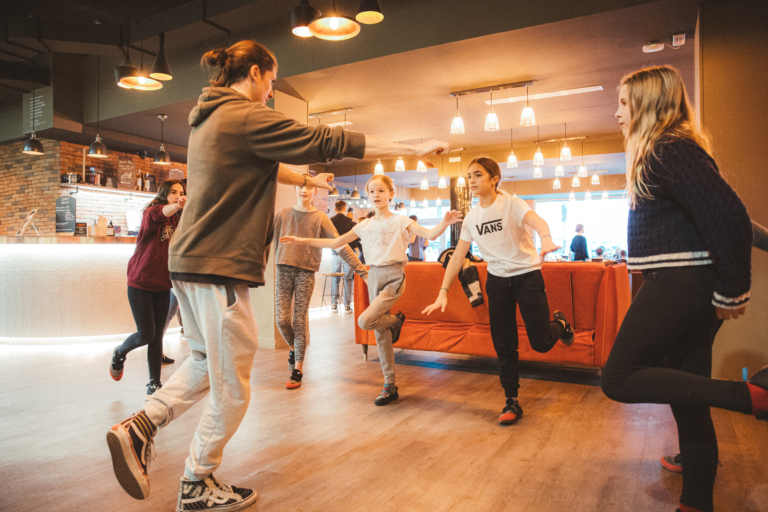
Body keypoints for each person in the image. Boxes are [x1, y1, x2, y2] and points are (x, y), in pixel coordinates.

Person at [106, 39, 450, 511]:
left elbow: (268, 162)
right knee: (235, 386)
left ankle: (143, 426)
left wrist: (306, 181)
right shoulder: (244, 114)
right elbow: (323, 141)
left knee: (208, 363)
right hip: (216, 263)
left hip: (188, 263)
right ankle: (195, 482)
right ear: (251, 74)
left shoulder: (210, 118)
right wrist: (411, 147)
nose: (270, 92)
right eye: (270, 82)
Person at [600, 65, 767, 512]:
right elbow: (724, 213)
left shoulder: (667, 149)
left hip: (680, 281)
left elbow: (728, 216)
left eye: (623, 103)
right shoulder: (669, 152)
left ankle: (752, 396)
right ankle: (696, 502)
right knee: (688, 396)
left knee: (617, 379)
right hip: (684, 280)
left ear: (649, 104)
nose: (616, 112)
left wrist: (735, 291)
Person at [280, 174, 460, 406]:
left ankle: (396, 320)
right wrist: (301, 240)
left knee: (365, 321)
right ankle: (390, 386)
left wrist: (445, 222)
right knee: (380, 334)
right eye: (372, 191)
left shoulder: (401, 221)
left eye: (381, 191)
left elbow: (430, 234)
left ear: (391, 194)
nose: (376, 195)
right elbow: (335, 243)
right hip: (373, 276)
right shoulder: (364, 225)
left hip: (394, 277)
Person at [422, 157, 575, 425]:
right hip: (498, 280)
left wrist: (547, 238)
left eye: (478, 175)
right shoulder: (472, 217)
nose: (471, 180)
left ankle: (560, 324)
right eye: (469, 175)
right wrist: (443, 290)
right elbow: (458, 256)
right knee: (504, 344)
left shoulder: (512, 204)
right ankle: (511, 401)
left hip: (527, 276)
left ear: (495, 179)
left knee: (540, 343)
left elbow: (536, 220)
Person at [274, 186, 366, 389]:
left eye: (309, 187)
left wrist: (361, 270)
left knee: (299, 319)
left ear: (315, 191)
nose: (304, 190)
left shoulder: (321, 218)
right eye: (301, 186)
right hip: (283, 270)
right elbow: (266, 240)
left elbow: (340, 245)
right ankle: (293, 349)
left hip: (306, 272)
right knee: (281, 319)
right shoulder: (282, 214)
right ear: (295, 188)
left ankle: (297, 369)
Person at [109, 179, 186, 394]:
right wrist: (178, 204)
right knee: (146, 334)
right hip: (140, 282)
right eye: (173, 192)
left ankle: (154, 382)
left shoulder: (179, 220)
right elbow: (163, 212)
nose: (178, 196)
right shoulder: (152, 213)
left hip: (163, 284)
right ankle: (119, 352)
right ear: (164, 194)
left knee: (157, 336)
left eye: (181, 192)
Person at [329, 200, 360, 313]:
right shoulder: (350, 221)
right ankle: (347, 306)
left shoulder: (330, 221)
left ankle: (334, 305)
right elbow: (355, 237)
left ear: (335, 209)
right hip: (348, 252)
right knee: (348, 279)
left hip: (335, 251)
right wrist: (356, 249)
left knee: (335, 278)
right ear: (345, 208)